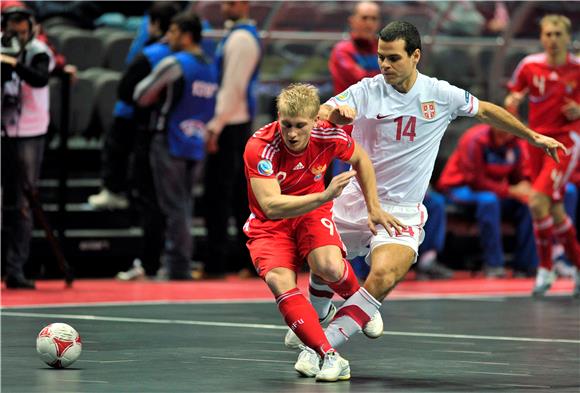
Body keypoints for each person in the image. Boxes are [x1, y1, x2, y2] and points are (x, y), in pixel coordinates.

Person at [292, 21, 565, 368]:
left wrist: (533, 136)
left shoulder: (441, 94)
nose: (385, 65)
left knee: (384, 276)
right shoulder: (365, 90)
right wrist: (335, 112)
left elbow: (486, 110)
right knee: (322, 266)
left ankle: (320, 346)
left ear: (415, 56)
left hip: (401, 212)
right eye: (380, 57)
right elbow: (323, 111)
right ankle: (324, 313)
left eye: (393, 58)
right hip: (354, 200)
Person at [243, 83, 403, 382]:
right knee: (279, 280)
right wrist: (325, 195)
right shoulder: (260, 146)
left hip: (311, 214)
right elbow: (271, 205)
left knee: (328, 265)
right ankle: (329, 355)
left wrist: (373, 207)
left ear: (315, 120)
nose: (292, 133)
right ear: (278, 116)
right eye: (286, 124)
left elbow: (362, 160)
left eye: (300, 125)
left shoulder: (328, 134)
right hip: (270, 222)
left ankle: (359, 301)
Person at [134, 12, 218, 280]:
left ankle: (177, 265)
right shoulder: (209, 66)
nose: (167, 37)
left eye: (172, 32)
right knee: (184, 204)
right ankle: (180, 261)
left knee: (174, 206)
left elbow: (141, 94)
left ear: (185, 35)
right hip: (196, 141)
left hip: (169, 139)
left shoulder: (175, 63)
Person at [504, 14, 580, 297]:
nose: (553, 40)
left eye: (558, 34)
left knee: (536, 201)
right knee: (555, 211)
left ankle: (545, 269)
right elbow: (514, 94)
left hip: (565, 142)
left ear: (567, 37)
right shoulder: (529, 65)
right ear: (541, 37)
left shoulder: (577, 68)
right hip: (535, 141)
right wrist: (512, 101)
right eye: (548, 34)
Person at [203, 1, 261, 278]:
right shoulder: (237, 35)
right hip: (235, 123)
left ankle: (217, 263)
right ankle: (243, 261)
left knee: (219, 197)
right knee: (236, 197)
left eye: (232, 2)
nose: (226, 6)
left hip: (231, 124)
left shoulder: (240, 39)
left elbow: (231, 88)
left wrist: (215, 125)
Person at [437, 123, 537, 277]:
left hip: (496, 192)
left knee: (527, 204)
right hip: (460, 188)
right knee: (489, 201)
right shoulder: (474, 139)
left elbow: (517, 178)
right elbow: (475, 181)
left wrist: (524, 186)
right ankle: (493, 264)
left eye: (507, 134)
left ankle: (526, 265)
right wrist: (510, 190)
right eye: (500, 134)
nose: (503, 139)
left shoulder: (516, 141)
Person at [1, 6, 54, 289]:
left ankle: (15, 268)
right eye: (13, 29)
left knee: (23, 201)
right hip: (3, 128)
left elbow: (40, 78)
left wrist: (12, 63)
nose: (18, 34)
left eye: (23, 29)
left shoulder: (38, 51)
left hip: (30, 131)